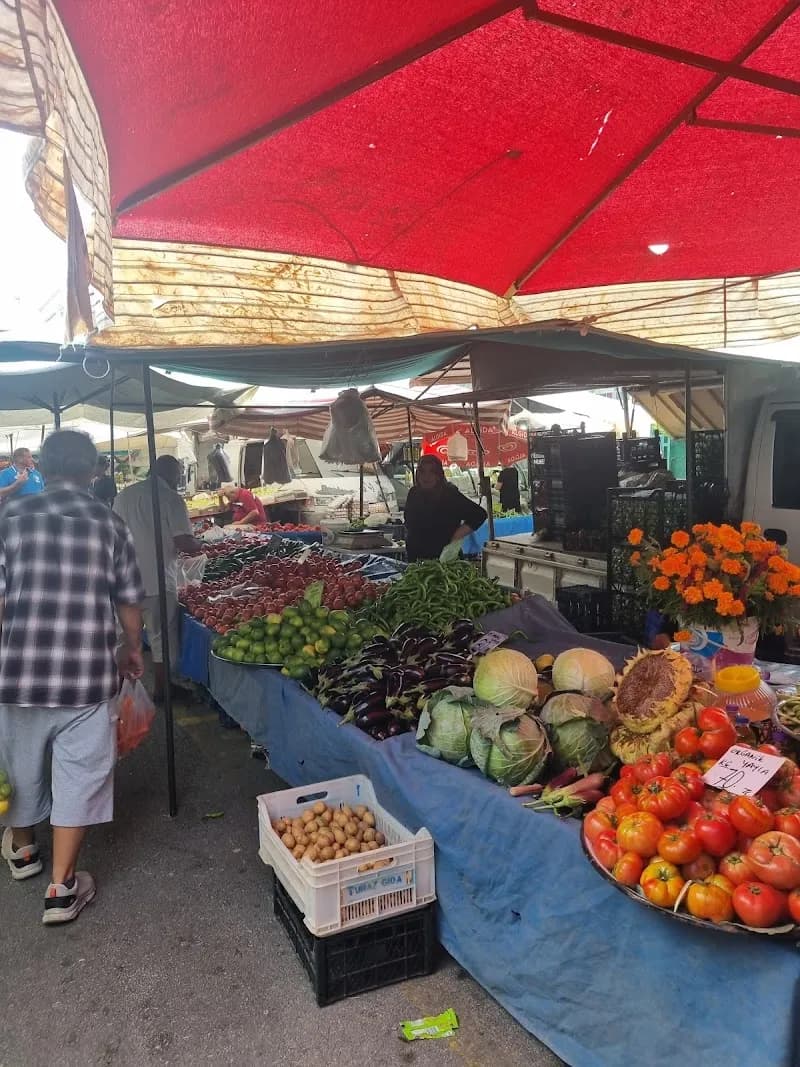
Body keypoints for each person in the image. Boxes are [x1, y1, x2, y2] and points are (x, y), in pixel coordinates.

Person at [0, 430, 144, 925]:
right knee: (81, 772)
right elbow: (128, 599)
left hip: (16, 672)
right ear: (93, 472)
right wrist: (132, 648)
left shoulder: (12, 517)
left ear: (41, 465)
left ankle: (22, 851)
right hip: (86, 672)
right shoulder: (108, 522)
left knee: (19, 763)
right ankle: (60, 888)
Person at [113, 456, 202, 701]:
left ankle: (117, 691)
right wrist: (200, 544)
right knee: (161, 637)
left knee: (123, 638)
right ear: (172, 474)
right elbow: (183, 541)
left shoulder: (124, 496)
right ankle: (162, 690)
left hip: (124, 581)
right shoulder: (171, 499)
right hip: (157, 580)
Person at [404, 454, 487, 562]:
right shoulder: (414, 493)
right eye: (422, 471)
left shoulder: (449, 494)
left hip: (444, 559)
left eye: (432, 472)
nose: (426, 476)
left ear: (438, 475)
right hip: (415, 558)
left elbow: (479, 514)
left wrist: (456, 536)